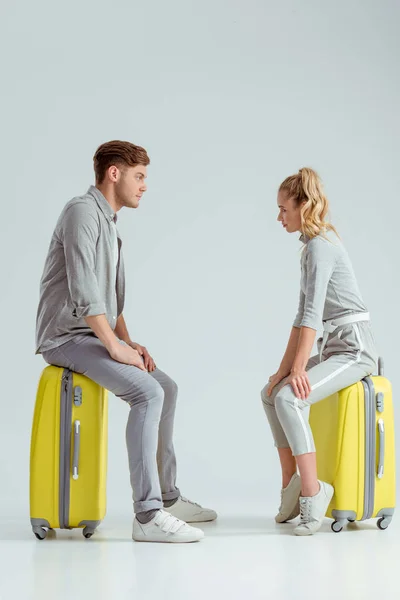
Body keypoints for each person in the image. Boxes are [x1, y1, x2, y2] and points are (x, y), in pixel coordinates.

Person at [35, 140, 217, 543]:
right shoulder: (82, 212)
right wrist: (115, 348)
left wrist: (128, 342)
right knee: (147, 394)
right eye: (139, 176)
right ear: (113, 173)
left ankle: (167, 497)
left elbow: (109, 300)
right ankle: (148, 515)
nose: (145, 185)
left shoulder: (110, 224)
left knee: (164, 386)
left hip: (91, 333)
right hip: (64, 336)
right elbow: (85, 294)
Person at [261, 168, 378, 536]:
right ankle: (291, 488)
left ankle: (314, 492)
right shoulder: (309, 248)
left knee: (290, 400)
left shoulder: (321, 246)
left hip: (355, 349)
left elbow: (312, 315)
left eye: (284, 209)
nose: (279, 217)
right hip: (334, 347)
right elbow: (301, 317)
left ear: (303, 205)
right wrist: (283, 371)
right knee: (270, 395)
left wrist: (297, 371)